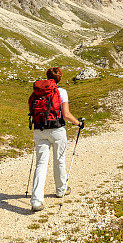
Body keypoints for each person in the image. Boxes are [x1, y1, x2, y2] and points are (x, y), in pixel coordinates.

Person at [29, 66, 83, 212]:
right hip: (57, 130)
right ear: (60, 78)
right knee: (59, 160)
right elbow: (66, 115)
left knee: (41, 164)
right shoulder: (61, 92)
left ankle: (36, 201)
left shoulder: (38, 92)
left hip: (40, 130)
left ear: (47, 77)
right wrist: (78, 123)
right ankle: (61, 190)